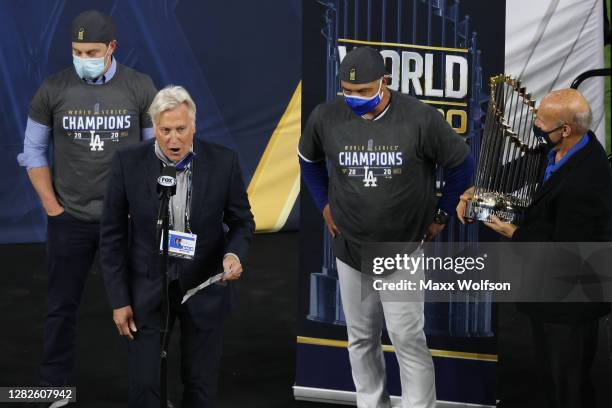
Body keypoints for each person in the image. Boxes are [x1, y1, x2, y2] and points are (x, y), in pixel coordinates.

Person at [298, 47, 474, 408]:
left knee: (407, 338)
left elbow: (462, 165)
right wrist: (323, 204)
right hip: (349, 248)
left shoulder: (420, 118)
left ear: (385, 83)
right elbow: (308, 160)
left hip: (402, 249)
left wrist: (441, 215)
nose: (355, 98)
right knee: (361, 338)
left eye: (364, 91)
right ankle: (371, 403)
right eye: (348, 91)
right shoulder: (325, 117)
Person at [16, 9, 157, 403]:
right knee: (61, 308)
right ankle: (53, 389)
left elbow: (153, 154)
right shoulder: (53, 89)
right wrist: (53, 209)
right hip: (70, 219)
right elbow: (32, 150)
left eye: (91, 50)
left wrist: (139, 209)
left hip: (125, 220)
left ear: (111, 47)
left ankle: (145, 391)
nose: (83, 57)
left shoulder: (140, 87)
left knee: (140, 309)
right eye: (77, 50)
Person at [100, 85, 255, 407]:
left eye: (181, 130)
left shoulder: (223, 162)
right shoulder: (128, 163)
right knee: (145, 387)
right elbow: (112, 235)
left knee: (200, 386)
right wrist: (118, 299)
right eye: (165, 130)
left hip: (203, 286)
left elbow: (242, 221)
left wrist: (233, 253)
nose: (174, 139)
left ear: (194, 126)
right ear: (154, 128)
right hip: (147, 289)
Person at [457, 88, 612, 408]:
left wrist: (512, 231)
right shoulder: (558, 149)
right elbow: (518, 169)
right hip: (545, 289)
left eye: (541, 121)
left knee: (568, 385)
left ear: (565, 130)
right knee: (548, 377)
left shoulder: (587, 180)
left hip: (569, 300)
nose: (535, 125)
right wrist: (476, 190)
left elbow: (565, 252)